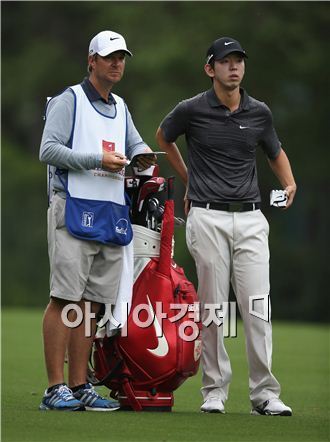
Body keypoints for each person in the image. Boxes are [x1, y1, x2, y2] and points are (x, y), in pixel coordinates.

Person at [156, 37, 296, 415]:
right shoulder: (191, 109)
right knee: (214, 307)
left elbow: (274, 152)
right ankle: (214, 390)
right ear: (210, 68)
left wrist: (289, 182)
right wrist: (188, 178)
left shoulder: (259, 112)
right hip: (207, 215)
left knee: (257, 307)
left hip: (251, 217)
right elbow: (163, 138)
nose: (234, 67)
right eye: (226, 61)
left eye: (239, 61)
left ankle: (264, 394)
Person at [39, 30, 155, 411]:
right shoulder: (68, 100)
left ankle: (79, 384)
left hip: (109, 210)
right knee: (64, 298)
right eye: (109, 57)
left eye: (121, 57)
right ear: (92, 61)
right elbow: (49, 149)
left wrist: (141, 157)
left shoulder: (121, 105)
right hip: (71, 206)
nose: (116, 63)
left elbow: (135, 143)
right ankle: (55, 387)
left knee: (91, 305)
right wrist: (96, 160)